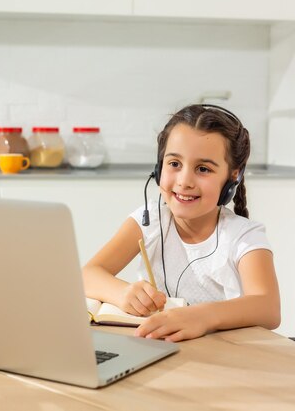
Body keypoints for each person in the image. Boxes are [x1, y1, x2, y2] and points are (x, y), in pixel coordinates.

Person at [82, 104, 280, 342]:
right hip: (159, 349)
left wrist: (201, 317)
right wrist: (123, 293)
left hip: (221, 356)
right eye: (174, 164)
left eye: (203, 169)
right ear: (158, 168)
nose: (185, 181)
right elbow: (87, 274)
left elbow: (268, 307)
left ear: (232, 176)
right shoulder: (150, 220)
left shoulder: (243, 236)